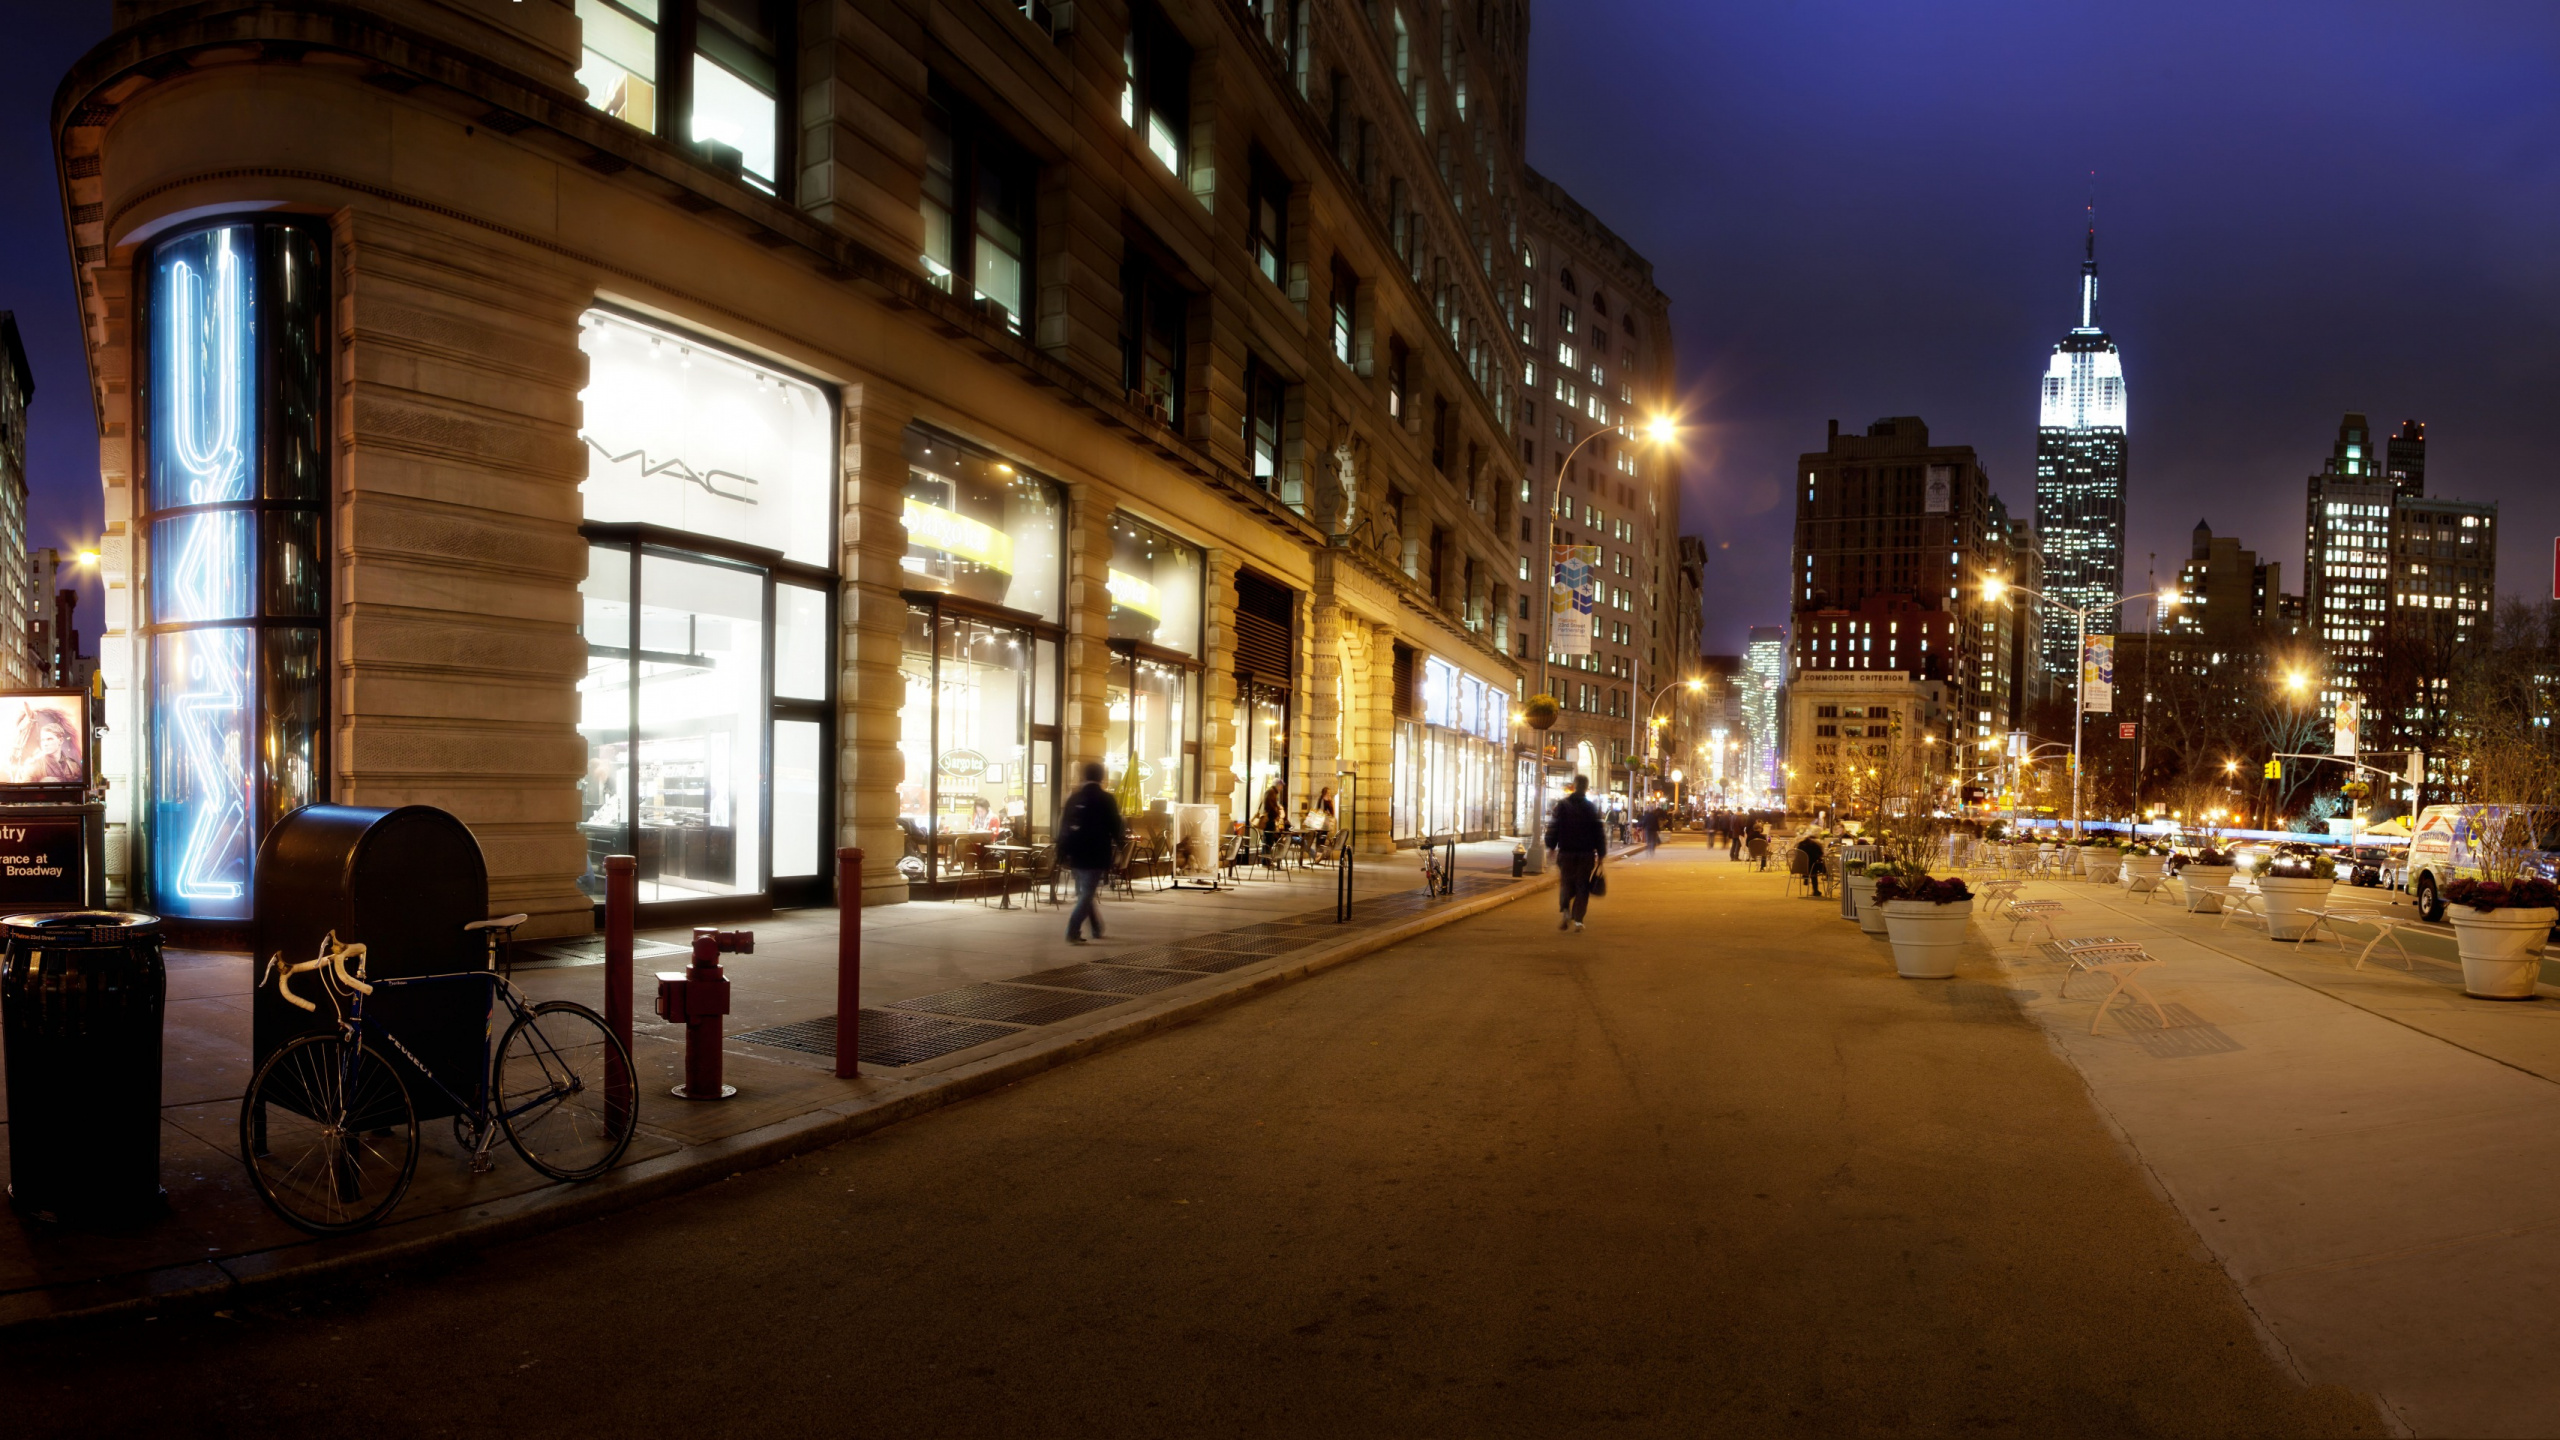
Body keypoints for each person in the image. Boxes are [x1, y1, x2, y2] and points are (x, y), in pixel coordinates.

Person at [1058, 761, 1125, 943]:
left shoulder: (1074, 798)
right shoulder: (1106, 799)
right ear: (1101, 777)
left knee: (1085, 892)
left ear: (1084, 776)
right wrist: (1121, 849)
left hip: (1076, 854)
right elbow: (1116, 827)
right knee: (1087, 893)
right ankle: (1072, 930)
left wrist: (1061, 853)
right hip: (1096, 853)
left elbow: (1063, 826)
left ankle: (1096, 927)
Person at [1544, 773, 1607, 932]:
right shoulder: (1591, 808)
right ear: (1586, 788)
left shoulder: (1562, 806)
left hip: (1566, 853)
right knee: (1582, 886)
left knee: (1566, 883)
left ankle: (1565, 910)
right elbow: (1598, 831)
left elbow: (1554, 827)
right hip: (1585, 854)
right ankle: (1578, 919)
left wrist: (1551, 846)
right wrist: (1601, 853)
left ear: (1574, 785)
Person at [1795, 829, 1828, 898]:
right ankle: (1816, 889)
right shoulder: (1815, 845)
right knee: (1816, 866)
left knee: (1811, 865)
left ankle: (1806, 877)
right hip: (1812, 867)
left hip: (1800, 867)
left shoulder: (1800, 844)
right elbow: (1820, 854)